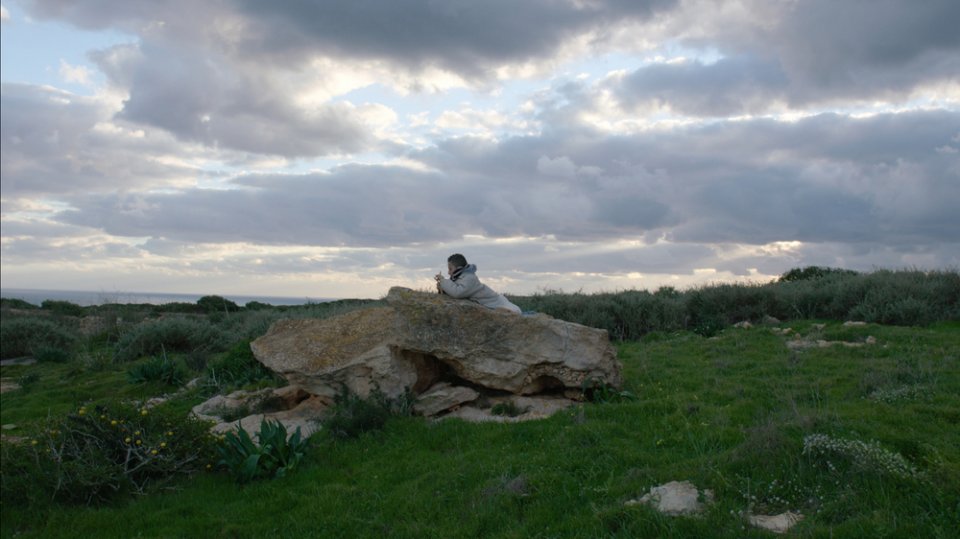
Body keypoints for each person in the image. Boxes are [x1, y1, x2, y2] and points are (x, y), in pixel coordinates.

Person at [434, 253, 521, 314]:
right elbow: (454, 288)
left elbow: (458, 292)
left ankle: (508, 313)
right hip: (490, 302)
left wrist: (443, 281)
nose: (448, 272)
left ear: (459, 268)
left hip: (496, 301)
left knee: (515, 312)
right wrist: (442, 288)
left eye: (450, 269)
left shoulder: (470, 278)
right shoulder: (461, 277)